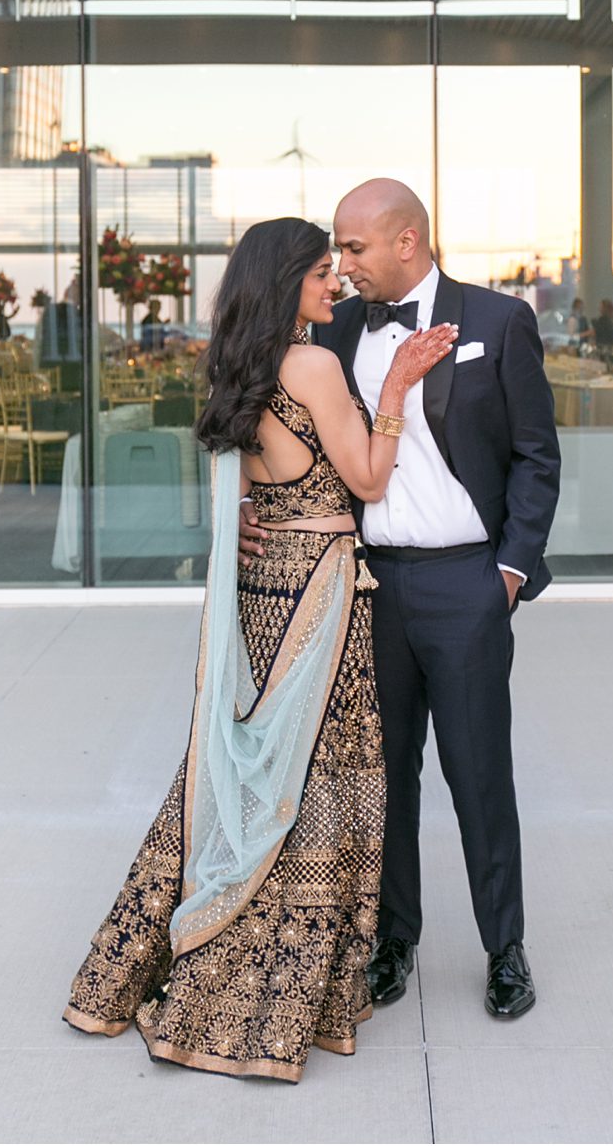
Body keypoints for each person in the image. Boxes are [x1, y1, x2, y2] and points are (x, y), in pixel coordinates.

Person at [64, 217, 455, 1080]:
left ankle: (141, 964)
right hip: (319, 586)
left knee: (251, 762)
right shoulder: (313, 364)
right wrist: (394, 386)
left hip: (261, 590)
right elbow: (368, 479)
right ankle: (268, 990)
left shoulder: (235, 364)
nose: (336, 285)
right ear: (288, 282)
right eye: (323, 272)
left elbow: (244, 478)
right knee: (314, 778)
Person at [242, 179, 560, 1020]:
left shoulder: (498, 322)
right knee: (382, 781)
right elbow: (267, 419)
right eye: (335, 253)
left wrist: (509, 573)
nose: (341, 269)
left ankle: (505, 949)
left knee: (478, 774)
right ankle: (393, 943)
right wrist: (246, 508)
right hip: (363, 583)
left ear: (408, 241)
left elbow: (536, 455)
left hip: (467, 584)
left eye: (354, 249)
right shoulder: (332, 333)